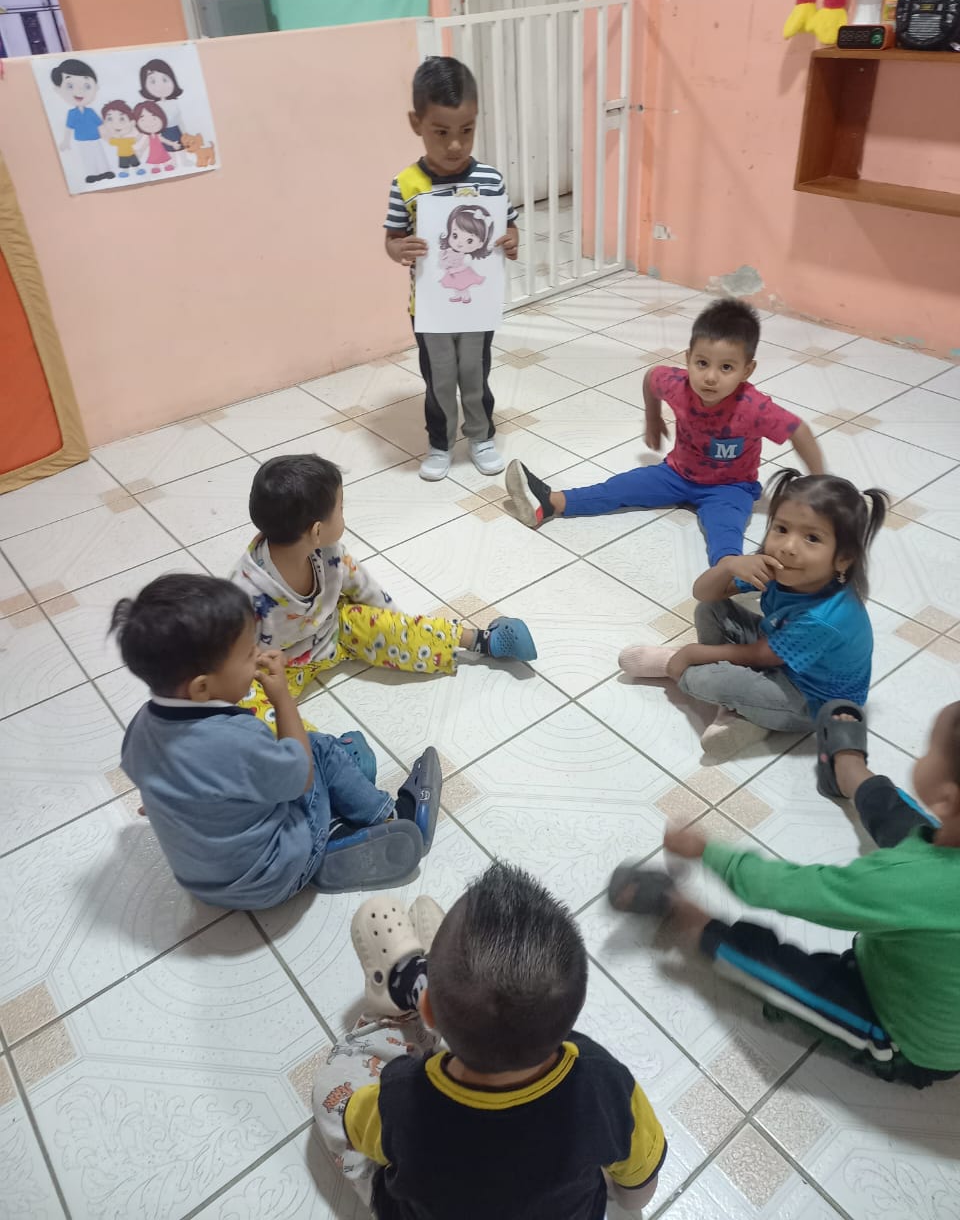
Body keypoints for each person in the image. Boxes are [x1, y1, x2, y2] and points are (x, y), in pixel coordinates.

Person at [608, 698, 960, 1089]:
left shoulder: (909, 883)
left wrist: (706, 850)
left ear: (947, 798)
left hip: (904, 1038)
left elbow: (791, 890)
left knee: (781, 974)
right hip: (924, 947)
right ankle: (848, 770)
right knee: (907, 823)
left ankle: (684, 913)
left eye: (929, 750)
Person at [312, 863, 667, 1218]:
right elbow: (638, 1194)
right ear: (576, 1008)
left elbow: (355, 1128)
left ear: (429, 1012)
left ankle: (412, 997)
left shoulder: (403, 1098)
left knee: (334, 1092)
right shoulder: (603, 1083)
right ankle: (439, 991)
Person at [111, 573, 442, 905]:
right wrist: (282, 698)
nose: (258, 654)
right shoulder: (239, 737)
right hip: (275, 876)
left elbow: (152, 784)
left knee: (320, 760)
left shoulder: (140, 729)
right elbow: (299, 775)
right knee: (319, 749)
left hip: (205, 887)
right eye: (247, 654)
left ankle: (339, 815)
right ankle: (388, 818)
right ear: (201, 687)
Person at [506, 298, 824, 563]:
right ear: (688, 358)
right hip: (675, 474)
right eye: (702, 363)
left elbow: (799, 431)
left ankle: (729, 576)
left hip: (729, 488)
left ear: (747, 370)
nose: (710, 377)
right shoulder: (676, 383)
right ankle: (550, 502)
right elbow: (651, 378)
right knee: (619, 488)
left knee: (724, 534)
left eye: (726, 367)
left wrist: (820, 483)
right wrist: (653, 418)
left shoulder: (754, 407)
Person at [230, 454, 537, 726]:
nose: (344, 515)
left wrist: (401, 630)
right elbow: (230, 657)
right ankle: (323, 756)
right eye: (341, 509)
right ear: (317, 530)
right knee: (247, 715)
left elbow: (368, 591)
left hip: (335, 633)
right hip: (278, 672)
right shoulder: (244, 593)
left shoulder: (329, 551)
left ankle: (484, 640)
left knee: (376, 620)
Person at [618, 469, 887, 758]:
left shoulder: (825, 618)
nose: (788, 547)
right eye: (781, 529)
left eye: (812, 538)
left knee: (702, 679)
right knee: (711, 609)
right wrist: (728, 565)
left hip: (809, 702)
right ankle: (743, 709)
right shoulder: (777, 568)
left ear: (843, 559)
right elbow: (703, 593)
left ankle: (706, 684)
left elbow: (761, 656)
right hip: (779, 654)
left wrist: (690, 655)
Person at [384, 56, 519, 482]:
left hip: (476, 306)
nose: (456, 145)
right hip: (429, 309)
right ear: (417, 123)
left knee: (475, 373)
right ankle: (440, 443)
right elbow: (391, 239)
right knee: (440, 378)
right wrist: (400, 248)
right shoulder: (405, 184)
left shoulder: (490, 180)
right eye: (441, 132)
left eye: (467, 130)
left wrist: (511, 240)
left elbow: (509, 226)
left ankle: (481, 436)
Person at [50, 58, 115, 185]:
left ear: (96, 87)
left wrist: (108, 136)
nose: (79, 91)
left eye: (87, 86)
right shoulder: (72, 113)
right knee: (87, 157)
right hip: (82, 140)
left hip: (95, 138)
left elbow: (100, 125)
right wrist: (66, 141)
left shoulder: (90, 111)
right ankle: (92, 174)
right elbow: (69, 128)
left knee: (99, 154)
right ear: (58, 89)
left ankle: (105, 171)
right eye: (70, 86)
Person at [139, 57, 185, 151]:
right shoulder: (153, 106)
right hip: (164, 132)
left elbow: (180, 119)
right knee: (169, 151)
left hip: (176, 130)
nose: (160, 86)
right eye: (153, 82)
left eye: (164, 80)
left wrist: (184, 132)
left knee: (181, 149)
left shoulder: (174, 103)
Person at [100, 100, 146, 179]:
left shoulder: (128, 139)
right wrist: (102, 133)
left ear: (132, 122)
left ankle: (137, 170)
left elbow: (136, 139)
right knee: (124, 165)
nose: (116, 124)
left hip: (131, 153)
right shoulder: (116, 140)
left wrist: (142, 133)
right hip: (122, 155)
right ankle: (125, 172)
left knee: (134, 163)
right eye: (110, 119)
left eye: (122, 118)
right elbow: (108, 140)